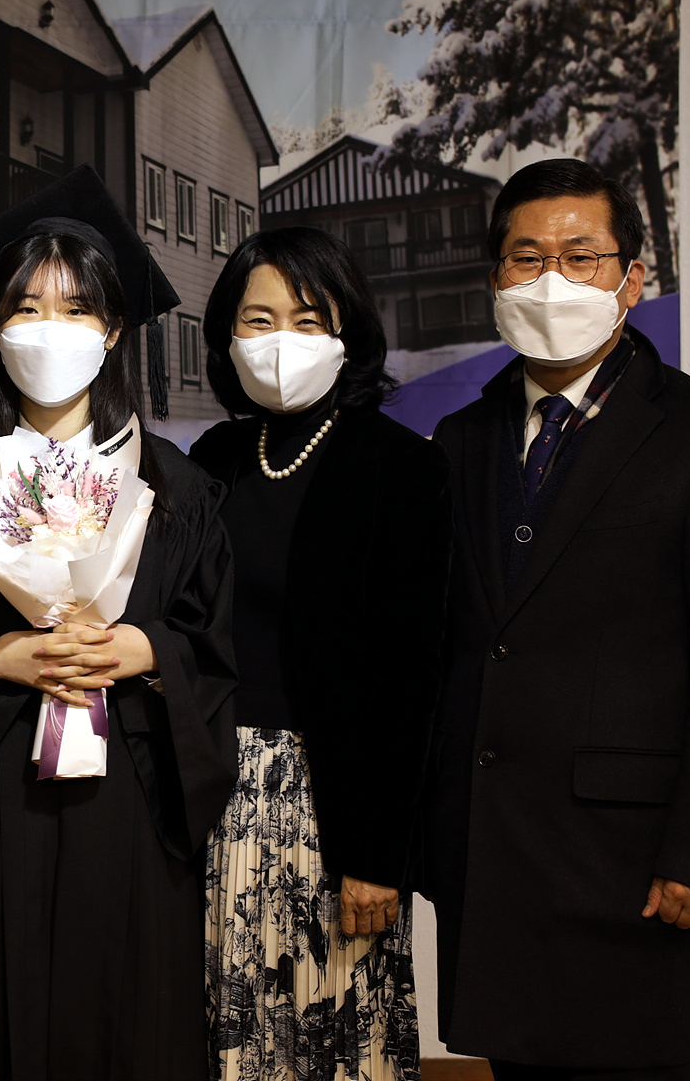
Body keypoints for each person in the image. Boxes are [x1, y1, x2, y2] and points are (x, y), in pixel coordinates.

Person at [421, 158, 690, 1079]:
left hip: (636, 859)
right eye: (526, 257)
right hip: (495, 850)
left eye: (580, 256)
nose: (552, 279)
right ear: (495, 277)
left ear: (631, 279)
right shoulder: (460, 440)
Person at [0, 166, 238, 1081]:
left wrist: (143, 647)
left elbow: (214, 651)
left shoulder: (178, 489)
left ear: (113, 330)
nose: (50, 330)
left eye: (76, 308)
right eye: (25, 308)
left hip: (130, 801)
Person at [189, 227, 449, 1081]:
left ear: (348, 332)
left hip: (331, 809)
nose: (281, 341)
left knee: (331, 1042)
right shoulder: (215, 459)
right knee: (226, 1038)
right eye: (258, 320)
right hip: (217, 795)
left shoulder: (399, 467)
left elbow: (410, 676)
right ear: (228, 335)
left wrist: (377, 856)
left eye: (307, 320)